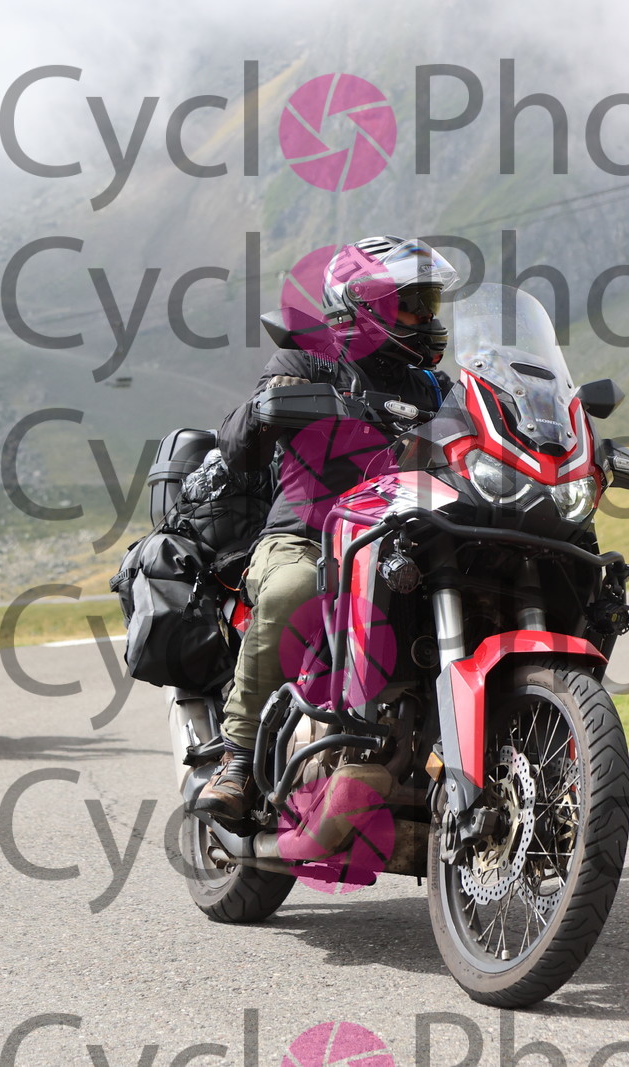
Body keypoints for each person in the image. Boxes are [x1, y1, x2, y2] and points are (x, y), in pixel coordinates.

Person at [194, 236, 459, 822]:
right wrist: (265, 408)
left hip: (406, 538)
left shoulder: (433, 387)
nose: (426, 317)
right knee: (293, 591)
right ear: (362, 305)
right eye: (411, 303)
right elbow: (236, 450)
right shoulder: (306, 362)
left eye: (430, 303)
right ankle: (237, 759)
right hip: (308, 537)